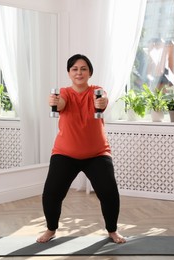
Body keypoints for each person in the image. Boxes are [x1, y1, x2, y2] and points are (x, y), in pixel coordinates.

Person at [37, 54, 126, 244]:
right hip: (65, 153)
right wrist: (54, 101)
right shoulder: (64, 93)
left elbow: (102, 101)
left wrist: (100, 103)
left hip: (97, 153)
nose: (79, 72)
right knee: (52, 193)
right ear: (69, 73)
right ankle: (51, 229)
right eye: (75, 69)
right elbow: (60, 104)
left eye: (83, 68)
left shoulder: (97, 91)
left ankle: (112, 230)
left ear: (90, 72)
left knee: (109, 193)